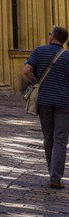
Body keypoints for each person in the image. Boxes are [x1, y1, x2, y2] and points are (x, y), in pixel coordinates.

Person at [23, 27, 69, 189]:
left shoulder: (39, 51)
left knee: (48, 137)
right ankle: (55, 177)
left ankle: (52, 172)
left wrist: (35, 82)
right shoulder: (67, 57)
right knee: (61, 140)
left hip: (44, 101)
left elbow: (26, 70)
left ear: (53, 37)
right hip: (64, 103)